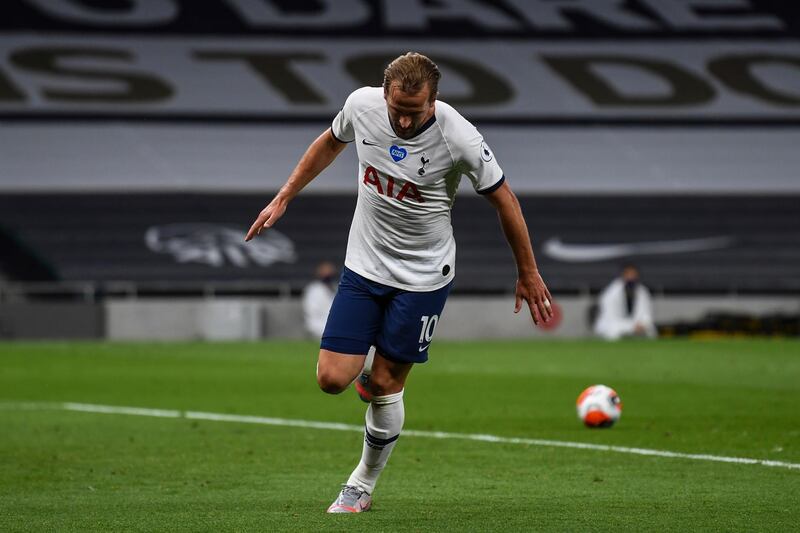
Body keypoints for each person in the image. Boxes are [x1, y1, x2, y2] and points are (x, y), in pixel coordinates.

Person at [245, 52, 553, 513]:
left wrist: (527, 271)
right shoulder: (361, 106)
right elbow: (329, 142)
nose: (404, 123)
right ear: (384, 94)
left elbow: (504, 200)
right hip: (364, 266)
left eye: (414, 112)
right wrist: (285, 195)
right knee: (331, 380)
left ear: (433, 101)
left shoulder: (459, 136)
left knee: (386, 384)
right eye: (396, 111)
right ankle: (372, 375)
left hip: (424, 278)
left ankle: (360, 485)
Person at [594, 264, 657, 340]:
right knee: (613, 332)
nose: (631, 277)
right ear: (623, 275)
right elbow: (609, 316)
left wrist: (642, 324)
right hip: (615, 324)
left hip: (636, 325)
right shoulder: (612, 292)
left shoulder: (642, 291)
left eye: (633, 274)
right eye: (628, 274)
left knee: (650, 330)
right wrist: (631, 327)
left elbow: (646, 312)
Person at [301, 261, 338, 338]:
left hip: (334, 323)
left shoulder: (336, 288)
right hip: (318, 323)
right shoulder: (313, 289)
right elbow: (310, 310)